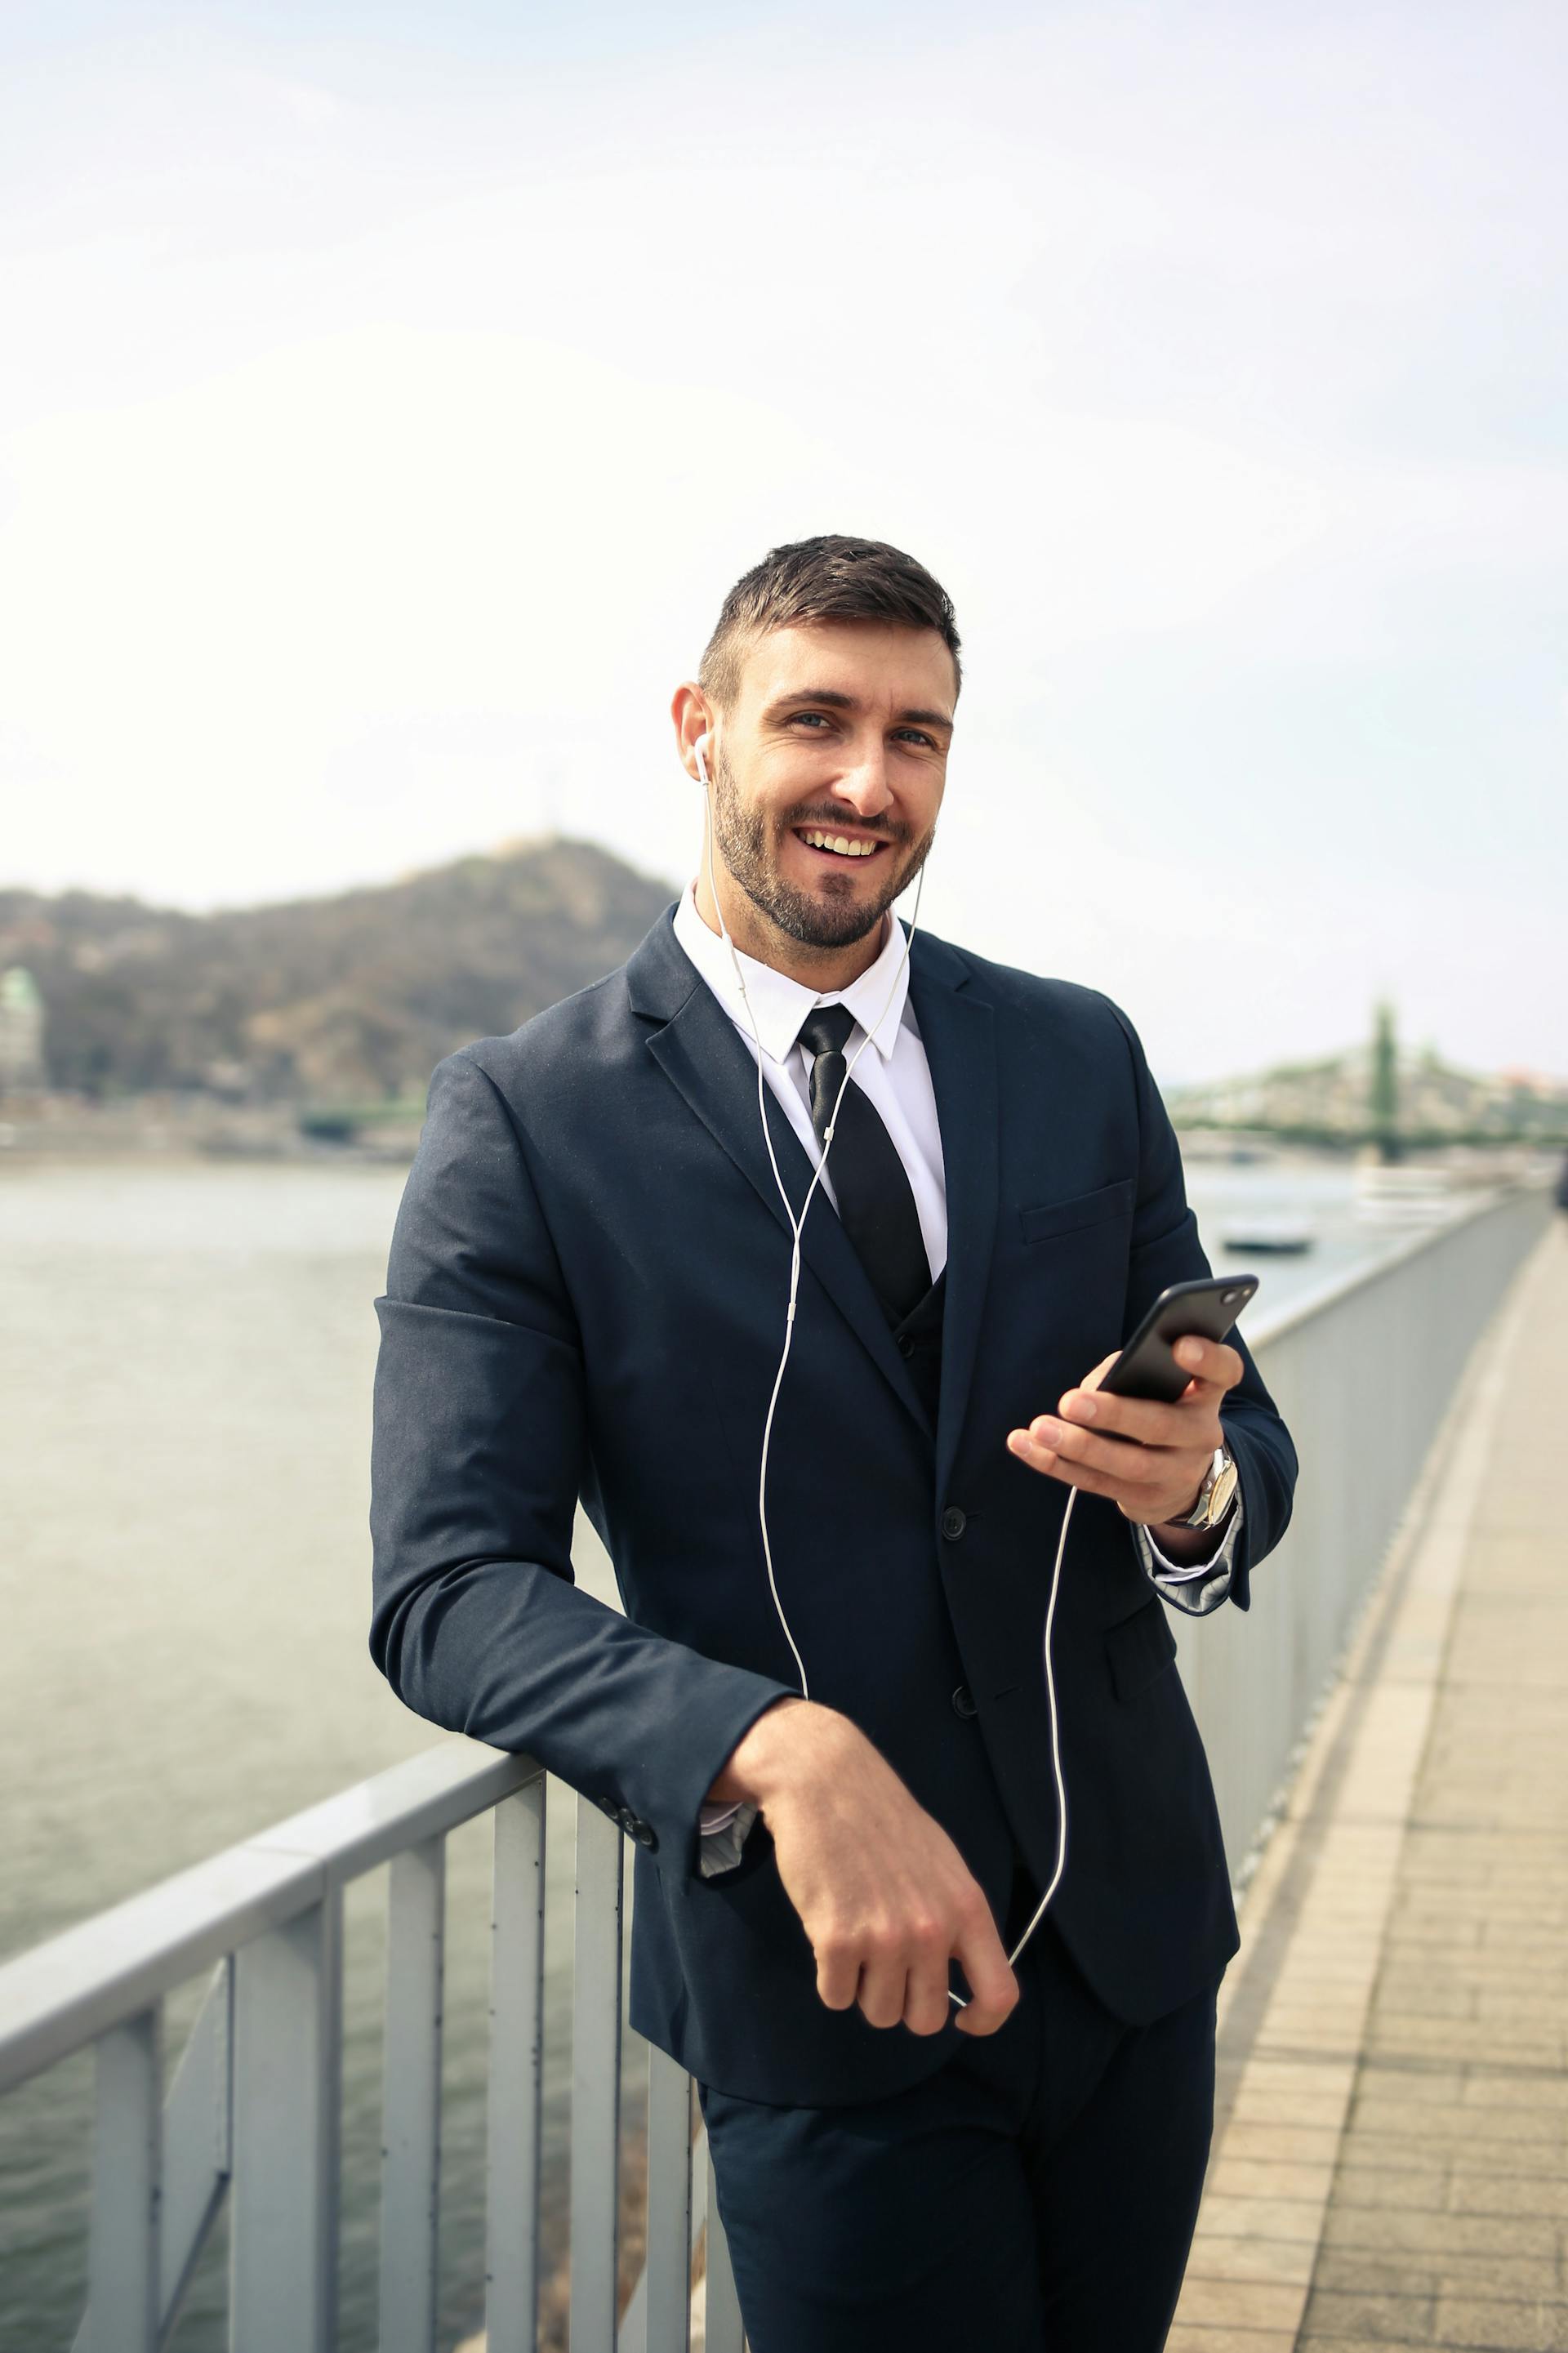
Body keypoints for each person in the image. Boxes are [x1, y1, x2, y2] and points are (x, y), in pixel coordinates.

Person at [368, 535, 1298, 2351]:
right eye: (816, 721)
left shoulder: (1077, 1053)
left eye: (919, 736)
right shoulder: (523, 1117)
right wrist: (763, 1746)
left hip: (1132, 1956)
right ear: (698, 732)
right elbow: (446, 1589)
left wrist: (1198, 1490)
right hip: (826, 1992)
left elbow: (1239, 1431)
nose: (870, 784)